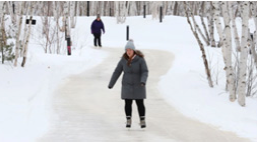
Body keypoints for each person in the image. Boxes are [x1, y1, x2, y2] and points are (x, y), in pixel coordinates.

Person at [108, 40, 149, 128]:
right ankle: (128, 120)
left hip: (139, 85)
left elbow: (144, 71)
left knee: (140, 103)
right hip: (127, 85)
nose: (128, 52)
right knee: (127, 103)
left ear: (133, 50)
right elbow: (117, 71)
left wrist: (143, 81)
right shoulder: (123, 60)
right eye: (127, 50)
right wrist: (111, 83)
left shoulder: (140, 60)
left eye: (130, 50)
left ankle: (142, 120)